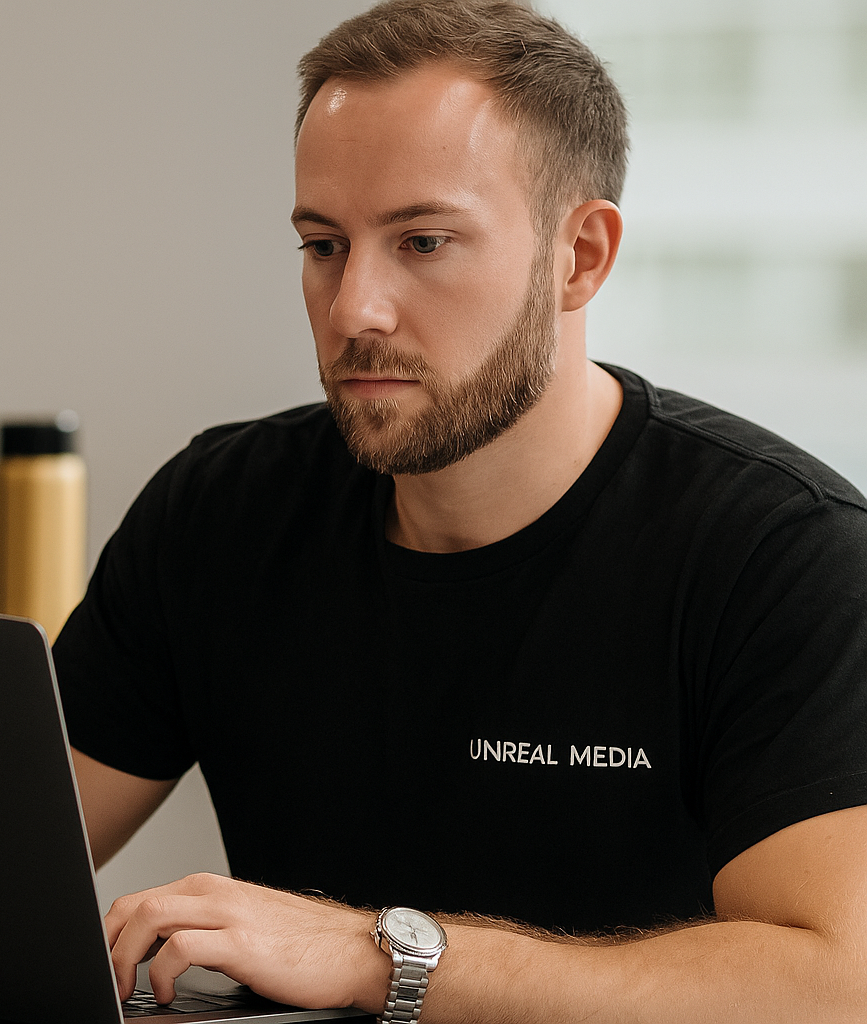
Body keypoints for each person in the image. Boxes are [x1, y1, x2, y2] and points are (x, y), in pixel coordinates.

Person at [50, 2, 867, 1020]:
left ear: (581, 258)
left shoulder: (783, 554)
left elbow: (833, 984)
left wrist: (377, 954)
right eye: (324, 245)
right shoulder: (219, 514)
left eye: (423, 241)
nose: (355, 310)